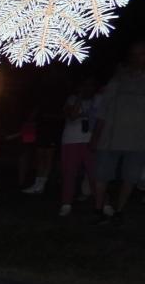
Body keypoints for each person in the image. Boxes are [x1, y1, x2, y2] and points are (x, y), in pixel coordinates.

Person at [91, 41, 145, 226]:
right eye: (136, 53)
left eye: (142, 54)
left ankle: (119, 211)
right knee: (101, 175)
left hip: (138, 140)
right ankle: (99, 210)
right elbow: (103, 108)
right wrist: (96, 135)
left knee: (130, 177)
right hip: (110, 137)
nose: (138, 57)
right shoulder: (118, 78)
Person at [59, 76, 99, 217]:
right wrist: (80, 97)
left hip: (91, 140)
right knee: (69, 173)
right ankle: (66, 203)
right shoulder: (72, 99)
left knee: (96, 174)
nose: (88, 88)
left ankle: (102, 203)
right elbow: (72, 116)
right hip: (71, 140)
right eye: (85, 85)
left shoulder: (97, 100)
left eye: (90, 85)